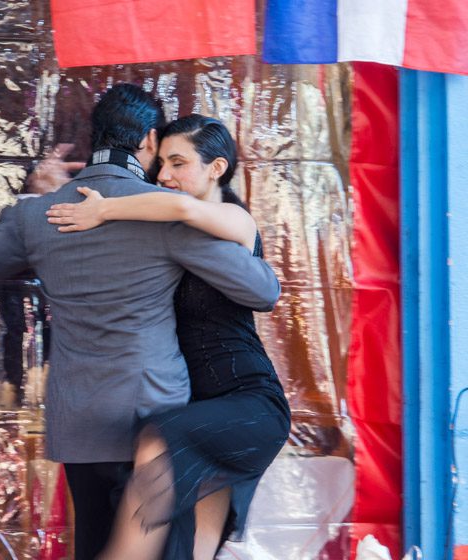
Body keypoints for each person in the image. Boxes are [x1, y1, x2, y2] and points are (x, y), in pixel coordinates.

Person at [0, 85, 281, 560]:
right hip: (151, 414)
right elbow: (261, 291)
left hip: (77, 417)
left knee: (95, 544)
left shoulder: (37, 214)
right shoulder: (160, 212)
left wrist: (35, 196)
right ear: (149, 141)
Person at [45, 114, 291, 559]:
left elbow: (183, 208)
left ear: (216, 168)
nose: (163, 176)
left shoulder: (234, 218)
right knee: (189, 550)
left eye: (178, 163)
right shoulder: (159, 233)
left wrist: (104, 207)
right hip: (194, 409)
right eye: (160, 163)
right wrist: (52, 194)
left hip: (247, 402)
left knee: (160, 436)